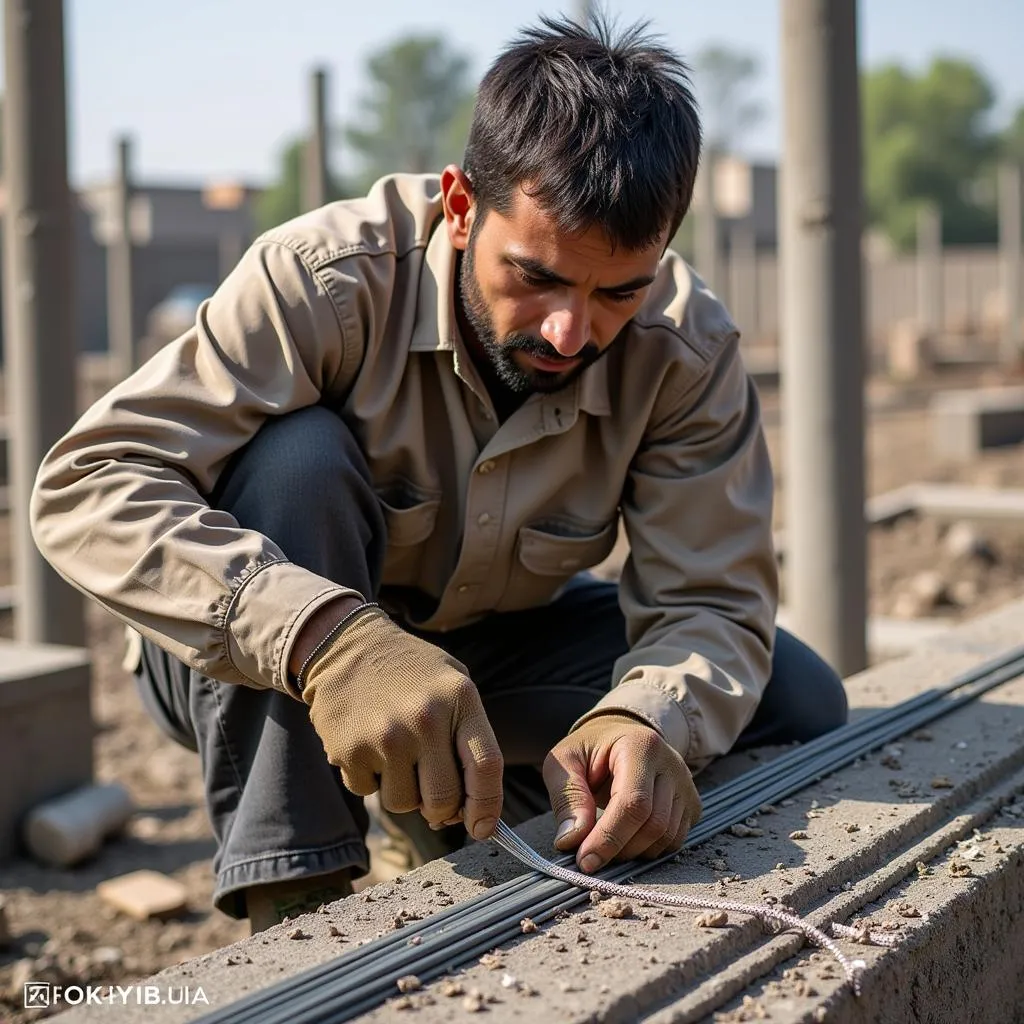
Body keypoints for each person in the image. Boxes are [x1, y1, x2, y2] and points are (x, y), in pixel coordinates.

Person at [30, 15, 847, 932]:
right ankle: (298, 897)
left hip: (488, 650)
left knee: (797, 699)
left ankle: (460, 825)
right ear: (460, 206)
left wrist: (649, 720)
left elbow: (714, 597)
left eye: (617, 291)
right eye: (536, 277)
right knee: (294, 460)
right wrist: (328, 639)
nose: (569, 332)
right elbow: (89, 482)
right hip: (261, 667)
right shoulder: (323, 280)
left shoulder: (684, 347)